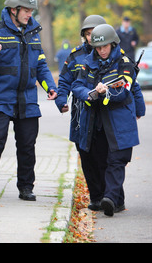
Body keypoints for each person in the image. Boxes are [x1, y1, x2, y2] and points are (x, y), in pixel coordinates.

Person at [0, 0, 57, 200]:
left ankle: (26, 187)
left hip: (27, 99)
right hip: (0, 97)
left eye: (31, 10)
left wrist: (50, 87)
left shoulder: (34, 32)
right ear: (13, 9)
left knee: (27, 145)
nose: (30, 14)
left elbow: (41, 66)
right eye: (26, 10)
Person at [55, 15, 145, 211]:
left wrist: (111, 94)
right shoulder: (84, 60)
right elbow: (73, 83)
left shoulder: (124, 61)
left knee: (115, 160)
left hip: (118, 120)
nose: (101, 49)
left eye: (105, 45)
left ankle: (111, 198)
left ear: (112, 43)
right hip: (90, 118)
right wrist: (89, 93)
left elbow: (128, 87)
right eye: (97, 45)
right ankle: (106, 198)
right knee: (93, 159)